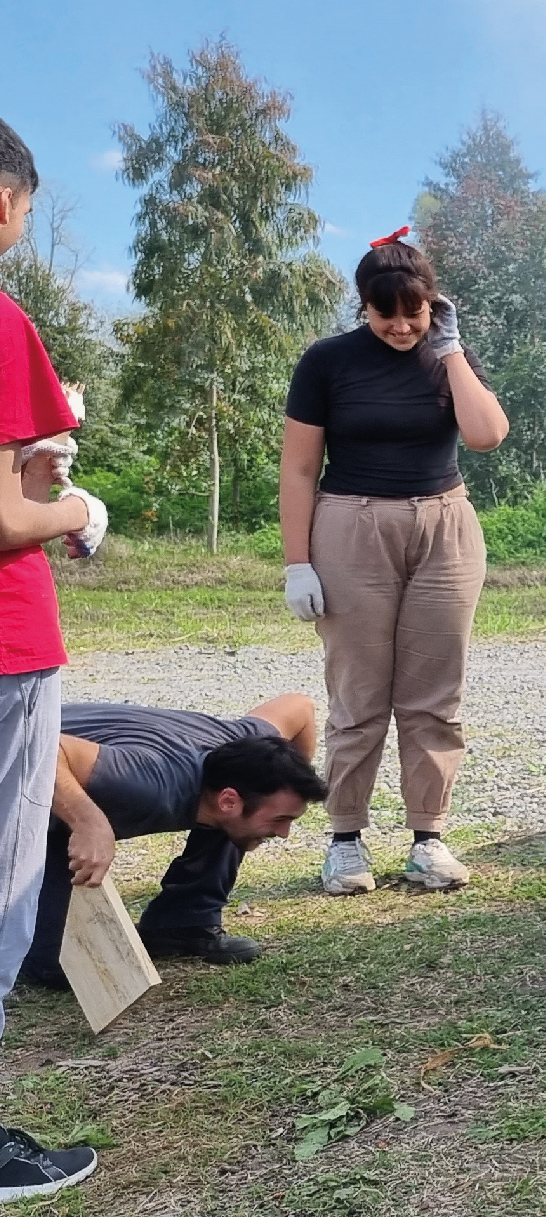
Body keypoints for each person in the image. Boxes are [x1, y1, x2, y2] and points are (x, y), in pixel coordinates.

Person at [281, 230, 508, 896]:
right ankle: (345, 839)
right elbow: (299, 468)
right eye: (388, 315)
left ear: (434, 304)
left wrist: (453, 350)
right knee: (358, 693)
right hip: (353, 524)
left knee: (436, 693)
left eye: (416, 312)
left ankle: (428, 839)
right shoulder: (327, 363)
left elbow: (487, 435)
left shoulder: (446, 356)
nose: (403, 327)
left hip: (445, 524)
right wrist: (299, 561)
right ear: (365, 307)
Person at [0, 115, 111, 1201]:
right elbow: (2, 519)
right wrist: (75, 502)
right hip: (4, 645)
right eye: (28, 210)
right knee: (0, 882)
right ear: (2, 202)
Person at [21, 696, 326, 989]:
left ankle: (182, 923)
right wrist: (89, 823)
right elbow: (39, 751)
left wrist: (290, 780)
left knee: (242, 827)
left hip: (67, 768)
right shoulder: (145, 784)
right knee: (62, 965)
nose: (284, 833)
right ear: (228, 799)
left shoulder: (247, 748)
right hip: (22, 763)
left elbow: (299, 706)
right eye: (280, 819)